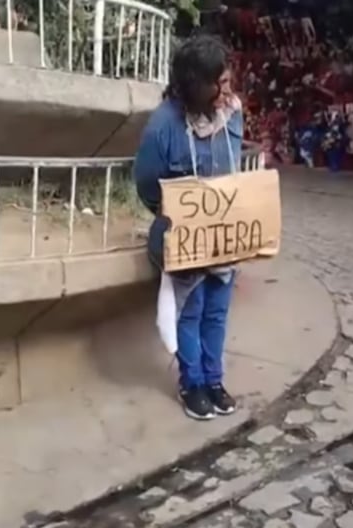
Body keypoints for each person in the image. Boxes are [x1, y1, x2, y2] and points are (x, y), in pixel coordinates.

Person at [134, 35, 241, 421]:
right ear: (197, 86)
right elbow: (147, 184)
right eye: (219, 84)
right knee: (191, 312)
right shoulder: (163, 125)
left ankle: (214, 381)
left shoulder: (232, 114)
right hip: (185, 240)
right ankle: (192, 383)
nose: (227, 92)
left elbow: (233, 168)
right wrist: (178, 214)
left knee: (217, 313)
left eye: (228, 82)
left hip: (224, 239)